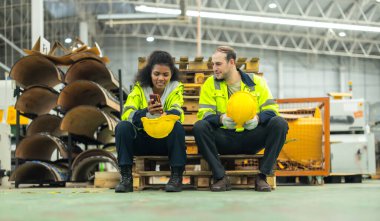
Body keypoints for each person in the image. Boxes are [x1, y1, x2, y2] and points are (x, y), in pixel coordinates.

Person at [193, 46, 288, 192]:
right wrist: (220, 119)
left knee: (280, 124)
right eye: (213, 64)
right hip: (224, 138)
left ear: (231, 62)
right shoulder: (209, 84)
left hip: (252, 137)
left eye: (218, 64)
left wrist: (258, 119)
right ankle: (220, 177)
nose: (214, 68)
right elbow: (204, 114)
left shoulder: (257, 82)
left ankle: (262, 177)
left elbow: (272, 111)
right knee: (199, 127)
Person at [115, 50, 186, 193]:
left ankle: (176, 178)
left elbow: (178, 112)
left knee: (177, 127)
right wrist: (146, 112)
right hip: (143, 142)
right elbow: (127, 114)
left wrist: (164, 114)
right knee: (122, 126)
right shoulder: (139, 89)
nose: (161, 78)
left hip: (164, 143)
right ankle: (126, 178)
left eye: (166, 75)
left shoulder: (175, 88)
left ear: (171, 74)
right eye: (156, 74)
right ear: (149, 73)